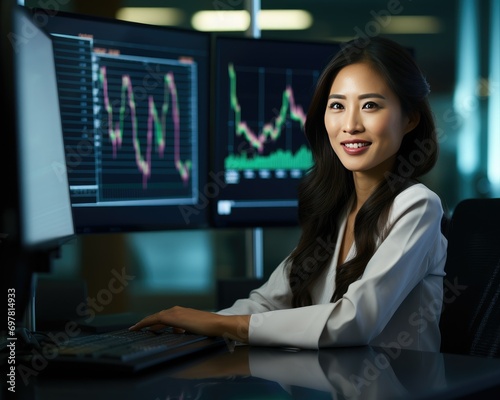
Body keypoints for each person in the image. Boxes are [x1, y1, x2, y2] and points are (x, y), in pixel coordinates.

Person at [130, 36, 448, 352]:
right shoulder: (338, 206)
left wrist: (219, 325)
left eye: (370, 106)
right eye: (337, 105)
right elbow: (268, 302)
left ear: (409, 119)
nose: (350, 125)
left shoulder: (418, 205)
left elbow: (354, 322)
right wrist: (188, 326)